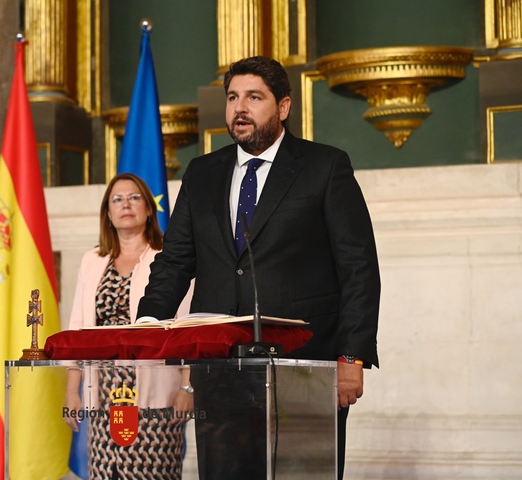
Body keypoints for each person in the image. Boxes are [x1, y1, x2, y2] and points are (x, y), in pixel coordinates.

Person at [136, 56, 381, 479]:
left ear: (283, 107)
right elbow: (176, 259)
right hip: (221, 367)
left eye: (254, 97)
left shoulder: (324, 166)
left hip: (305, 365)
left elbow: (358, 267)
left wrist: (352, 357)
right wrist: (147, 322)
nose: (239, 108)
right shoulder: (202, 172)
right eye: (232, 97)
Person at [64, 173, 193, 480]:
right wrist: (72, 390)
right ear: (107, 213)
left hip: (157, 390)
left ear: (149, 209)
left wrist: (188, 386)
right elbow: (78, 327)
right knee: (107, 472)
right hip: (104, 390)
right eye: (117, 199)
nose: (126, 204)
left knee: (152, 473)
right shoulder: (92, 261)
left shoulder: (169, 260)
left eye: (134, 198)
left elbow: (187, 327)